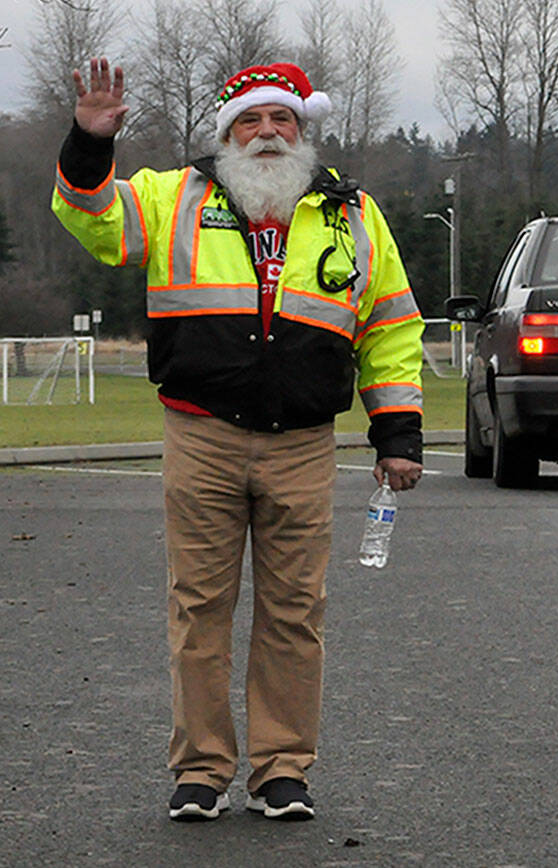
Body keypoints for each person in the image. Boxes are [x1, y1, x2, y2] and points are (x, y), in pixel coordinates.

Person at [52, 59, 425, 822]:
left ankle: (282, 770)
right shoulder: (171, 196)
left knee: (295, 611)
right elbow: (94, 222)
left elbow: (389, 325)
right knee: (200, 609)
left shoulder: (354, 213)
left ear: (302, 131)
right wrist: (88, 143)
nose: (265, 134)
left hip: (304, 442)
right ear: (225, 135)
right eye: (249, 122)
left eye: (280, 120)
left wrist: (398, 433)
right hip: (202, 434)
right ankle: (200, 772)